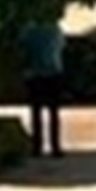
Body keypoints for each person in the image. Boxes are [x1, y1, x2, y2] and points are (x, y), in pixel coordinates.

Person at [19, 21, 66, 158]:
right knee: (54, 113)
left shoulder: (28, 29)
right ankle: (55, 147)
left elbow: (22, 47)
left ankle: (37, 147)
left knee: (36, 112)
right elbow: (61, 47)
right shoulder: (55, 29)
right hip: (53, 72)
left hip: (34, 74)